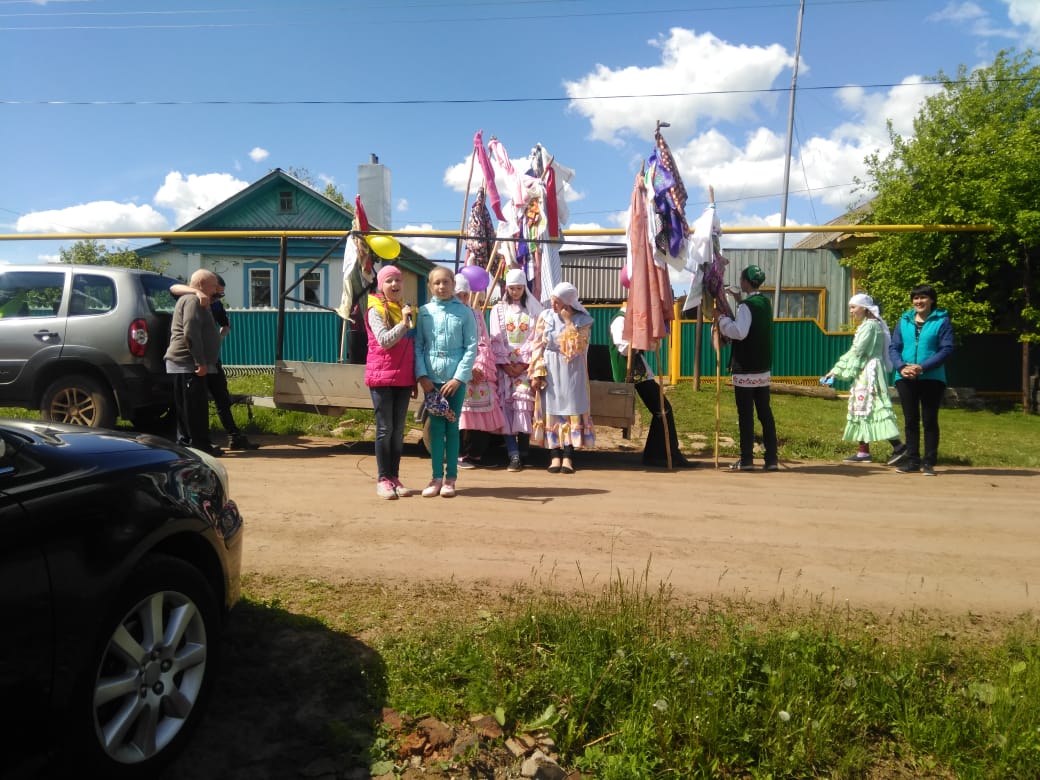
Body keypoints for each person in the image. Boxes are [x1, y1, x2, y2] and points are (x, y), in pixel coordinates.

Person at [170, 276, 259, 450]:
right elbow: (173, 288)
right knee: (194, 403)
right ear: (206, 287)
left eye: (220, 294)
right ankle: (193, 442)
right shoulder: (192, 299)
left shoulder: (216, 305)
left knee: (221, 397)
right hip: (197, 360)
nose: (217, 297)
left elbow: (225, 326)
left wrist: (217, 340)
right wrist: (196, 291)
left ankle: (234, 436)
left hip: (211, 360)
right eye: (216, 292)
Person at [414, 266, 478, 498]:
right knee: (435, 428)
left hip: (454, 383)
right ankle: (435, 478)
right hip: (431, 382)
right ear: (430, 286)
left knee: (452, 429)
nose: (441, 287)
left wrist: (459, 378)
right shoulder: (424, 313)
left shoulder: (465, 313)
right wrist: (422, 376)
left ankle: (451, 478)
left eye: (446, 282)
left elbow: (471, 348)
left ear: (453, 284)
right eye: (437, 283)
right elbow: (419, 345)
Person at [609, 302, 694, 468]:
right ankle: (663, 454)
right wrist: (644, 339)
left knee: (662, 410)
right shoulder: (619, 320)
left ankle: (659, 454)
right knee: (662, 409)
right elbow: (624, 348)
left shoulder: (631, 321)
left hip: (639, 372)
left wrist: (651, 338)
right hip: (630, 374)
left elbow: (648, 345)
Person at [822, 293, 903, 463]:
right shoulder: (868, 325)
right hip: (864, 370)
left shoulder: (870, 326)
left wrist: (836, 370)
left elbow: (858, 351)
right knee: (861, 406)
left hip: (869, 371)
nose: (851, 311)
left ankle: (899, 446)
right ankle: (863, 451)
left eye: (853, 307)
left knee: (875, 406)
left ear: (864, 308)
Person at [716, 265, 778, 472]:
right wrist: (738, 300)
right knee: (765, 413)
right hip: (762, 367)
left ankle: (747, 459)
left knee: (745, 415)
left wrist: (722, 320)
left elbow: (740, 331)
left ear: (745, 282)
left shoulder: (747, 306)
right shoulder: (764, 303)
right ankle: (771, 459)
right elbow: (751, 315)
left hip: (746, 367)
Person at [528, 281, 595, 474]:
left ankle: (568, 455)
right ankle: (554, 456)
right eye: (552, 300)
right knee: (552, 410)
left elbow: (576, 349)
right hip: (550, 368)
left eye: (557, 302)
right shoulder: (545, 316)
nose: (553, 305)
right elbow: (537, 345)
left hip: (573, 371)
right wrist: (537, 372)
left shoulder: (583, 320)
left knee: (571, 409)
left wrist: (567, 322)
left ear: (568, 303)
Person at [888, 283, 954, 476]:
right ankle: (912, 460)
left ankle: (929, 462)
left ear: (931, 300)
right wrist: (901, 366)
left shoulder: (942, 321)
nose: (919, 301)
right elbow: (894, 347)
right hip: (905, 376)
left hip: (932, 377)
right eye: (916, 298)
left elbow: (947, 349)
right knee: (910, 420)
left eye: (923, 297)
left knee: (929, 420)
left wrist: (923, 367)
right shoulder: (904, 320)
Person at [365, 264, 417, 499]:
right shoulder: (375, 309)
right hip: (382, 378)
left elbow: (411, 346)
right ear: (381, 285)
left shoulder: (405, 308)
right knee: (385, 429)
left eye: (398, 280)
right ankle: (383, 479)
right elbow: (385, 341)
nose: (394, 285)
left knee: (397, 432)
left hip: (404, 378)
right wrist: (403, 324)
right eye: (389, 281)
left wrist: (414, 377)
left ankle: (395, 476)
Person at [164, 269, 224, 457]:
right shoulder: (192, 300)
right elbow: (190, 332)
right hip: (188, 362)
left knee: (190, 405)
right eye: (214, 286)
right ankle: (199, 446)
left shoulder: (198, 299)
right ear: (201, 285)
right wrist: (200, 361)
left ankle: (189, 443)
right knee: (194, 407)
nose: (216, 289)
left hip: (188, 363)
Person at [489, 268, 543, 472]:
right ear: (506, 288)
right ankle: (513, 454)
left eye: (519, 288)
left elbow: (536, 338)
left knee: (524, 406)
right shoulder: (498, 310)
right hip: (505, 366)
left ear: (524, 288)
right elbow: (495, 337)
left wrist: (524, 363)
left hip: (525, 366)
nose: (515, 292)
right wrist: (504, 363)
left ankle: (524, 451)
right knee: (507, 408)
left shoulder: (534, 310)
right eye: (512, 288)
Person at [454, 273, 505, 470]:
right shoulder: (447, 315)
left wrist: (479, 366)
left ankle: (476, 453)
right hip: (458, 371)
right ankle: (459, 453)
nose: (462, 299)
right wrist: (466, 370)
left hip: (478, 368)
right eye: (458, 294)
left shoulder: (476, 314)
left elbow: (483, 341)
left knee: (482, 411)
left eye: (465, 295)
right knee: (459, 414)